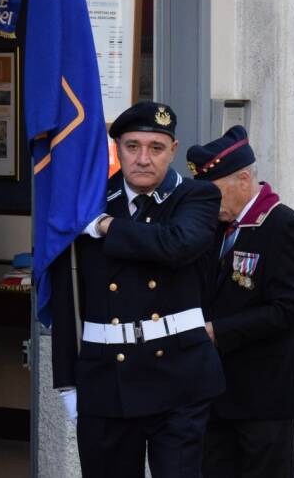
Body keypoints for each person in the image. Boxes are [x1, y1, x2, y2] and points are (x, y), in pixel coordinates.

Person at [50, 101, 225, 478]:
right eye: (132, 146)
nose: (143, 159)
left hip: (180, 378)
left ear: (173, 150)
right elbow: (68, 293)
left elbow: (176, 244)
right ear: (117, 149)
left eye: (155, 148)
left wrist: (106, 227)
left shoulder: (196, 197)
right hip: (106, 379)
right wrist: (66, 379)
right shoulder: (88, 202)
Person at [186, 125, 294, 478]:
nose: (208, 204)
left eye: (214, 193)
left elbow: (286, 310)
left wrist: (217, 332)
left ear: (243, 180)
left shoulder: (283, 226)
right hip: (215, 393)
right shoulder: (214, 229)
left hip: (264, 397)